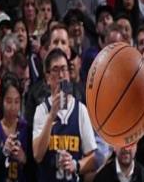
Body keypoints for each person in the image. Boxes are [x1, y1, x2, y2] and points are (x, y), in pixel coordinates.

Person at [32, 48, 97, 181]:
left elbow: (92, 158)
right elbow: (37, 155)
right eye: (55, 70)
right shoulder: (41, 110)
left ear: (69, 74)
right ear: (48, 78)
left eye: (64, 69)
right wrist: (51, 116)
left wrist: (76, 165)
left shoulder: (81, 110)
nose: (61, 75)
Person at [0, 77, 30, 182]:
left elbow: (35, 172)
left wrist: (24, 159)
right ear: (2, 101)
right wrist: (5, 153)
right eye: (9, 101)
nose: (13, 107)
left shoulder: (27, 128)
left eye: (17, 101)